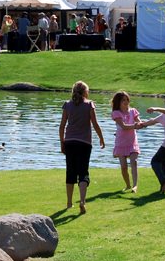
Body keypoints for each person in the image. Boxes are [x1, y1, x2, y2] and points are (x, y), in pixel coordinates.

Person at [58, 81, 106, 214]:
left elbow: (62, 126)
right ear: (85, 92)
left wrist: (62, 142)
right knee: (83, 172)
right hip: (84, 143)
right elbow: (95, 124)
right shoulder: (89, 105)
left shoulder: (67, 105)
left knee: (70, 171)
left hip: (70, 142)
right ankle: (83, 201)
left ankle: (69, 202)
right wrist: (101, 138)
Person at [111, 91, 142, 193]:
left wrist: (142, 124)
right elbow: (123, 126)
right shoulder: (116, 113)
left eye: (127, 99)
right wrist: (135, 126)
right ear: (118, 102)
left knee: (134, 162)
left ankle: (135, 186)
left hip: (132, 142)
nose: (126, 102)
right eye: (123, 100)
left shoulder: (133, 111)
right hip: (121, 143)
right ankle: (128, 185)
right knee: (124, 167)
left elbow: (139, 122)